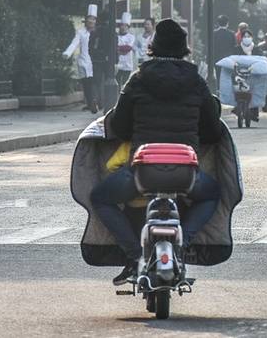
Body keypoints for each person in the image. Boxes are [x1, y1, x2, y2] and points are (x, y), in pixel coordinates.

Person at [92, 19, 224, 285]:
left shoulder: (138, 79)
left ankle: (132, 256)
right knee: (212, 194)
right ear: (183, 48)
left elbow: (119, 125)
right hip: (186, 174)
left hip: (142, 173)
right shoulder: (197, 82)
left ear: (153, 45)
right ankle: (183, 242)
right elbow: (212, 131)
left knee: (101, 198)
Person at [64, 7, 98, 112]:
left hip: (96, 61)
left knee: (94, 83)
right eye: (89, 19)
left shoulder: (98, 32)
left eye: (93, 19)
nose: (91, 21)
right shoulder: (81, 32)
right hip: (84, 60)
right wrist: (67, 53)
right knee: (87, 83)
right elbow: (74, 43)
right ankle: (90, 104)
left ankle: (94, 103)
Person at [114, 12, 139, 90]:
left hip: (127, 64)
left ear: (128, 27)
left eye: (125, 26)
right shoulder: (116, 36)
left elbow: (128, 48)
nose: (123, 27)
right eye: (122, 25)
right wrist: (120, 49)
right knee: (117, 83)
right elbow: (114, 47)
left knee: (126, 85)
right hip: (118, 64)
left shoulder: (131, 37)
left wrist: (118, 49)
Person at [209, 15, 234, 87]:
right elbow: (234, 47)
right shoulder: (231, 34)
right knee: (227, 76)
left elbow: (210, 46)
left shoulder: (214, 33)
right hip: (228, 59)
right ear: (227, 23)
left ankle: (218, 90)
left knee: (218, 75)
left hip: (216, 59)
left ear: (218, 23)